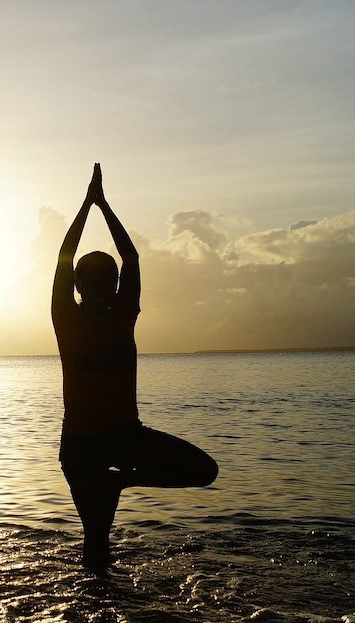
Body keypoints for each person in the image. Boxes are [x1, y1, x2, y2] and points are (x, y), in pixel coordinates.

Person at [52, 163, 218, 572]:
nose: (98, 289)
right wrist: (92, 206)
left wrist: (98, 205)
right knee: (96, 541)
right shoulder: (72, 318)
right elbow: (78, 256)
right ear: (80, 287)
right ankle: (98, 616)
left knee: (203, 471)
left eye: (105, 282)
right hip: (84, 445)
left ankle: (122, 482)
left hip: (122, 438)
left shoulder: (117, 314)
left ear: (112, 286)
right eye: (92, 283)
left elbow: (124, 256)